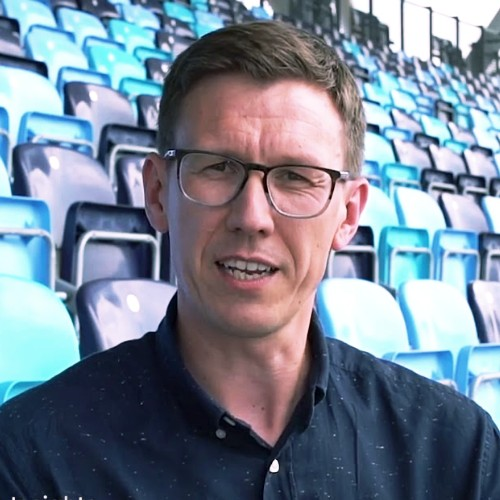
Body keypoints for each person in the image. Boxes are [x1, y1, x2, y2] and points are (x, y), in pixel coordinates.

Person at [0, 20, 498, 499]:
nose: (252, 217)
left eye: (296, 176)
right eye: (217, 167)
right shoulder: (32, 457)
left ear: (348, 214)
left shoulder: (456, 450)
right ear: (156, 193)